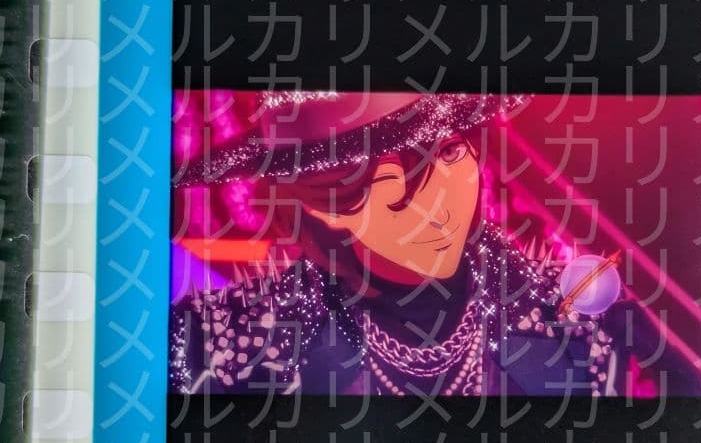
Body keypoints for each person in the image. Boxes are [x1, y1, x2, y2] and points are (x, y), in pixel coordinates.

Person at [169, 92, 635, 397]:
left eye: (451, 152)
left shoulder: (576, 321)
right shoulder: (223, 344)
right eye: (392, 187)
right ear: (324, 206)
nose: (441, 209)